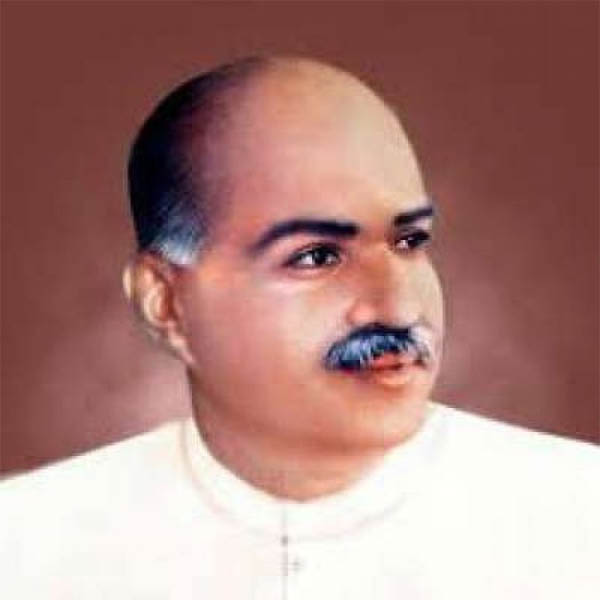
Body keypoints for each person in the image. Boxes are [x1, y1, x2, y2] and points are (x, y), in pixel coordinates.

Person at [1, 56, 598, 599]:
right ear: (167, 303)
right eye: (317, 256)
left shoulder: (576, 521)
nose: (397, 308)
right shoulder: (28, 547)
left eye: (409, 241)